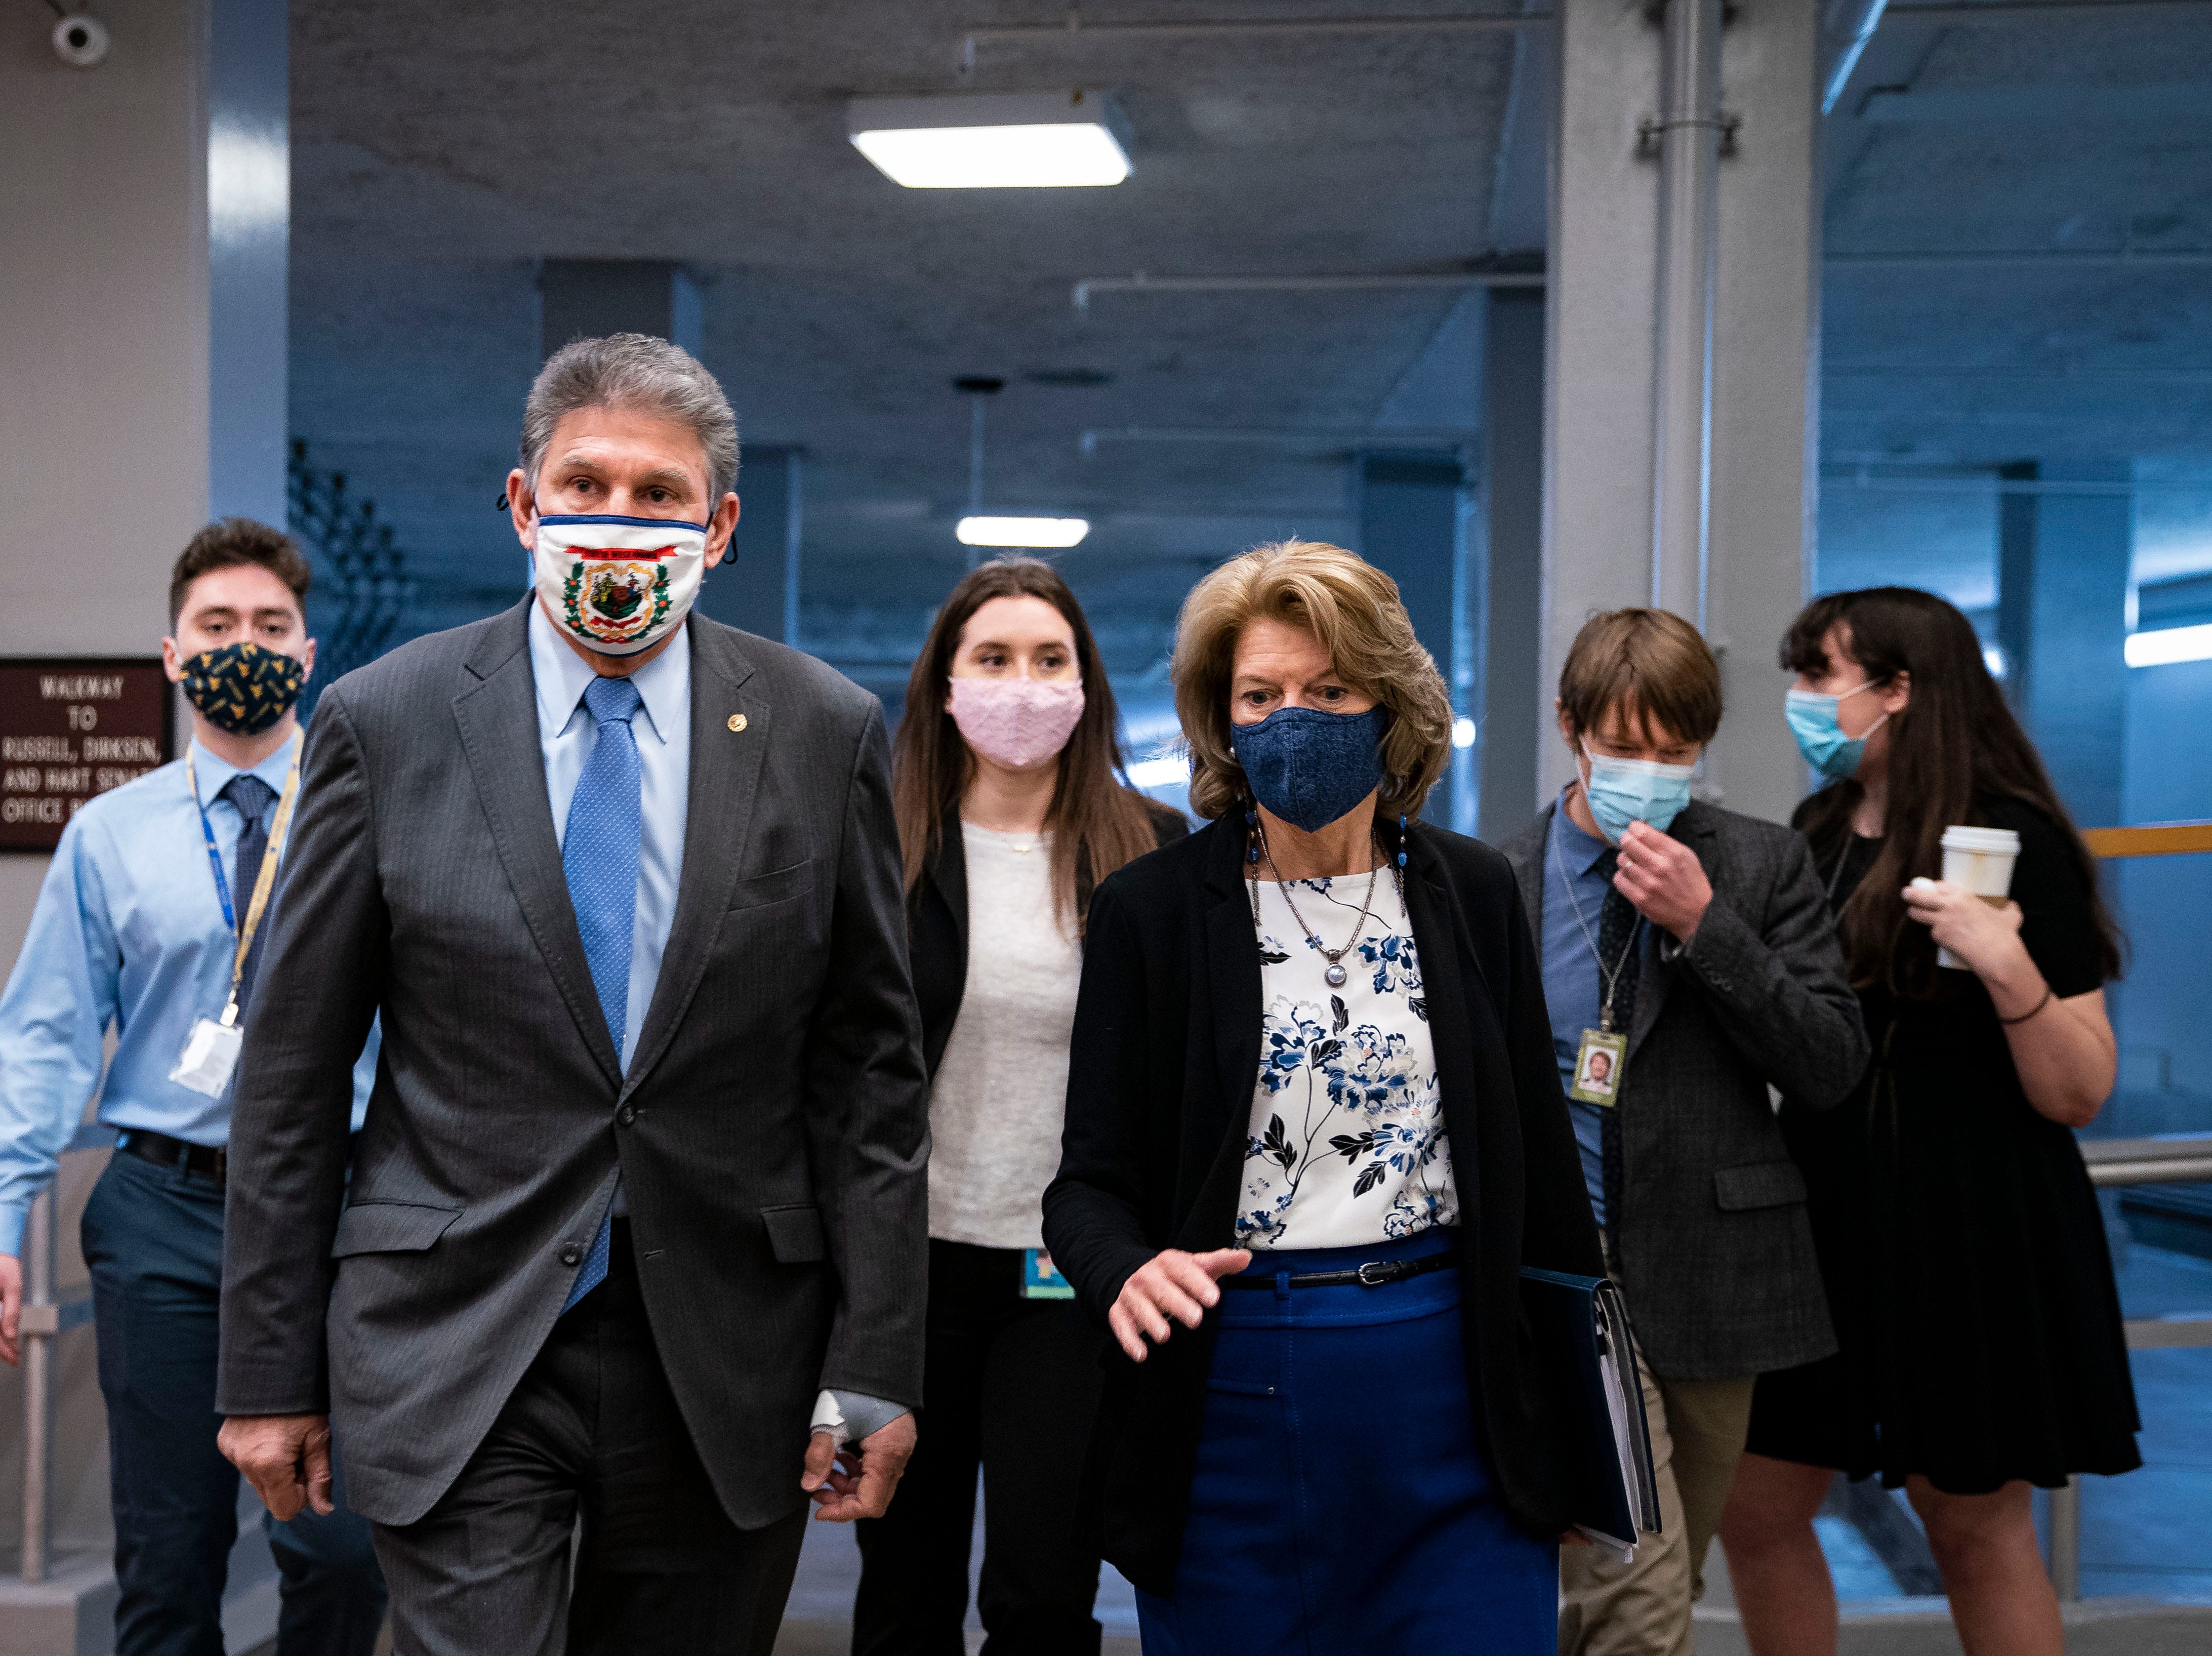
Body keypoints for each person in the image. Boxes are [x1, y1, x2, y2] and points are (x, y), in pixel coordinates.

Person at [213, 333, 928, 1656]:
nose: (620, 518)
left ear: (717, 525)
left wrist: (877, 1363)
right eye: (585, 483)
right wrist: (266, 1373)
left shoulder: (821, 729)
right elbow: (294, 1074)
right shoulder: (388, 721)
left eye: (659, 495)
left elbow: (867, 1077)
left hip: (725, 1345)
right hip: (455, 1333)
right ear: (524, 503)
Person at [1042, 539, 1604, 1654]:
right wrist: (1124, 1267)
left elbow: (1538, 1177)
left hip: (1459, 1389)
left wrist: (1578, 1439)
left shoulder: (1469, 890)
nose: (1290, 718)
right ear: (1223, 718)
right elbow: (1087, 1184)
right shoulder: (1152, 911)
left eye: (1327, 690)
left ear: (1386, 707)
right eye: (1260, 694)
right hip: (1234, 1390)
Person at [0, 519, 389, 1656]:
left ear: (307, 654)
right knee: (167, 1555)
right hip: (166, 1210)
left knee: (344, 1552)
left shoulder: (374, 818)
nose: (240, 644)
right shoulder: (111, 834)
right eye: (216, 626)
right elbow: (46, 1034)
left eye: (268, 626)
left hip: (343, 1211)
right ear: (170, 652)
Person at [1718, 587, 2138, 1656]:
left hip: (1970, 1221)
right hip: (1815, 1219)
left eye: (1819, 675)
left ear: (1897, 690)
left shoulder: (2017, 841)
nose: (1801, 700)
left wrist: (2003, 963)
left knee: (1969, 1521)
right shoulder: (1813, 834)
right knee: (1755, 1507)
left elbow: (2077, 1089)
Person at [1499, 609, 1868, 1656]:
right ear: (1570, 726)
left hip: (1713, 1271)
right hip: (1563, 1280)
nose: (1648, 773)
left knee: (1659, 1570)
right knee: (1639, 1586)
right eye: (1623, 748)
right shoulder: (1497, 882)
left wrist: (1706, 927)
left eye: (1674, 753)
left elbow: (1829, 1065)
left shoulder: (1759, 864)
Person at [852, 559, 1185, 1655]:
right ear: (943, 685)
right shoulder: (879, 847)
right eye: (991, 658)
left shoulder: (1154, 853)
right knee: (903, 1587)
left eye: (1049, 659)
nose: (1022, 683)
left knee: (1044, 1595)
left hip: (1069, 1271)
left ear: (1086, 685)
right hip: (904, 1277)